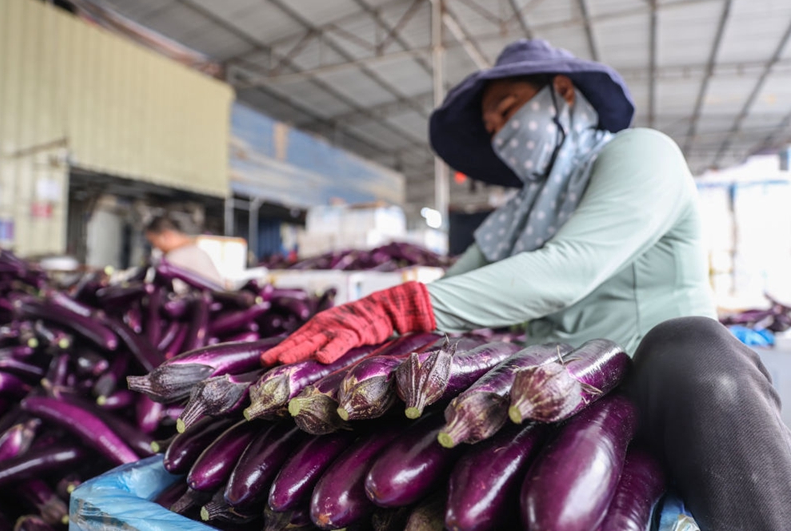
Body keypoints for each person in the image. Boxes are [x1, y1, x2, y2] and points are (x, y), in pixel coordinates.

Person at [261, 39, 791, 530]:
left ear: (563, 93)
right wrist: (358, 330)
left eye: (508, 109)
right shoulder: (518, 213)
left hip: (658, 393)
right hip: (553, 399)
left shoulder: (640, 154)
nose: (499, 130)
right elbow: (457, 288)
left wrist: (398, 308)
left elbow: (568, 268)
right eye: (491, 126)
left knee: (696, 349)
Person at [144, 216, 224, 288]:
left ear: (166, 236)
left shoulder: (176, 258)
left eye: (153, 241)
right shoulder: (197, 251)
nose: (155, 247)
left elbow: (175, 294)